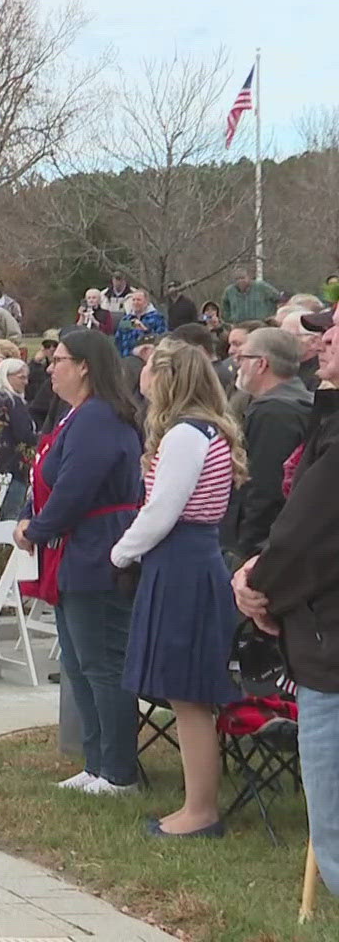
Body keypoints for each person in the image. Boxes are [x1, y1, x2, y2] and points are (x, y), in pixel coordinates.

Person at [105, 339, 246, 837]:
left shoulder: (186, 434)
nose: (140, 377)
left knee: (188, 695)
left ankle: (200, 811)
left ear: (166, 378)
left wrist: (121, 552)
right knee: (187, 693)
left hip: (183, 563)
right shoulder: (204, 430)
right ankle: (196, 806)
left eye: (148, 370)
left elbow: (163, 510)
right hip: (190, 559)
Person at [15, 327, 144, 795]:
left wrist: (37, 529)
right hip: (74, 550)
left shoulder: (100, 419)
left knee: (101, 662)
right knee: (77, 661)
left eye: (61, 360)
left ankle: (118, 770)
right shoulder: (77, 416)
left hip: (96, 550)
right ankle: (95, 763)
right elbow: (51, 479)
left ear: (86, 365)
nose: (51, 367)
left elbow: (76, 486)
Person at [233, 323, 339, 886]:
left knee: (334, 832)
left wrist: (258, 582)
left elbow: (303, 527)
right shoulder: (322, 414)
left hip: (329, 643)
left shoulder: (285, 415)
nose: (322, 342)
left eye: (336, 332)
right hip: (317, 628)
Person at [224, 326, 312, 563]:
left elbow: (265, 488)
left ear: (261, 364)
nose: (238, 365)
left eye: (242, 358)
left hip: (263, 549)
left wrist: (247, 552)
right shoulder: (298, 401)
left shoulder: (274, 412)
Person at [0, 358, 37, 520]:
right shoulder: (12, 401)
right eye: (21, 377)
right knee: (9, 518)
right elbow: (24, 434)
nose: (26, 382)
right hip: (13, 467)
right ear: (6, 376)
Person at [114, 289, 168, 357]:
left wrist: (145, 330)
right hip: (126, 359)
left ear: (146, 302)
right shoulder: (126, 319)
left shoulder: (157, 318)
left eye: (139, 300)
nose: (135, 302)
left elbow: (162, 340)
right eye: (133, 300)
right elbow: (118, 340)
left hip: (147, 359)